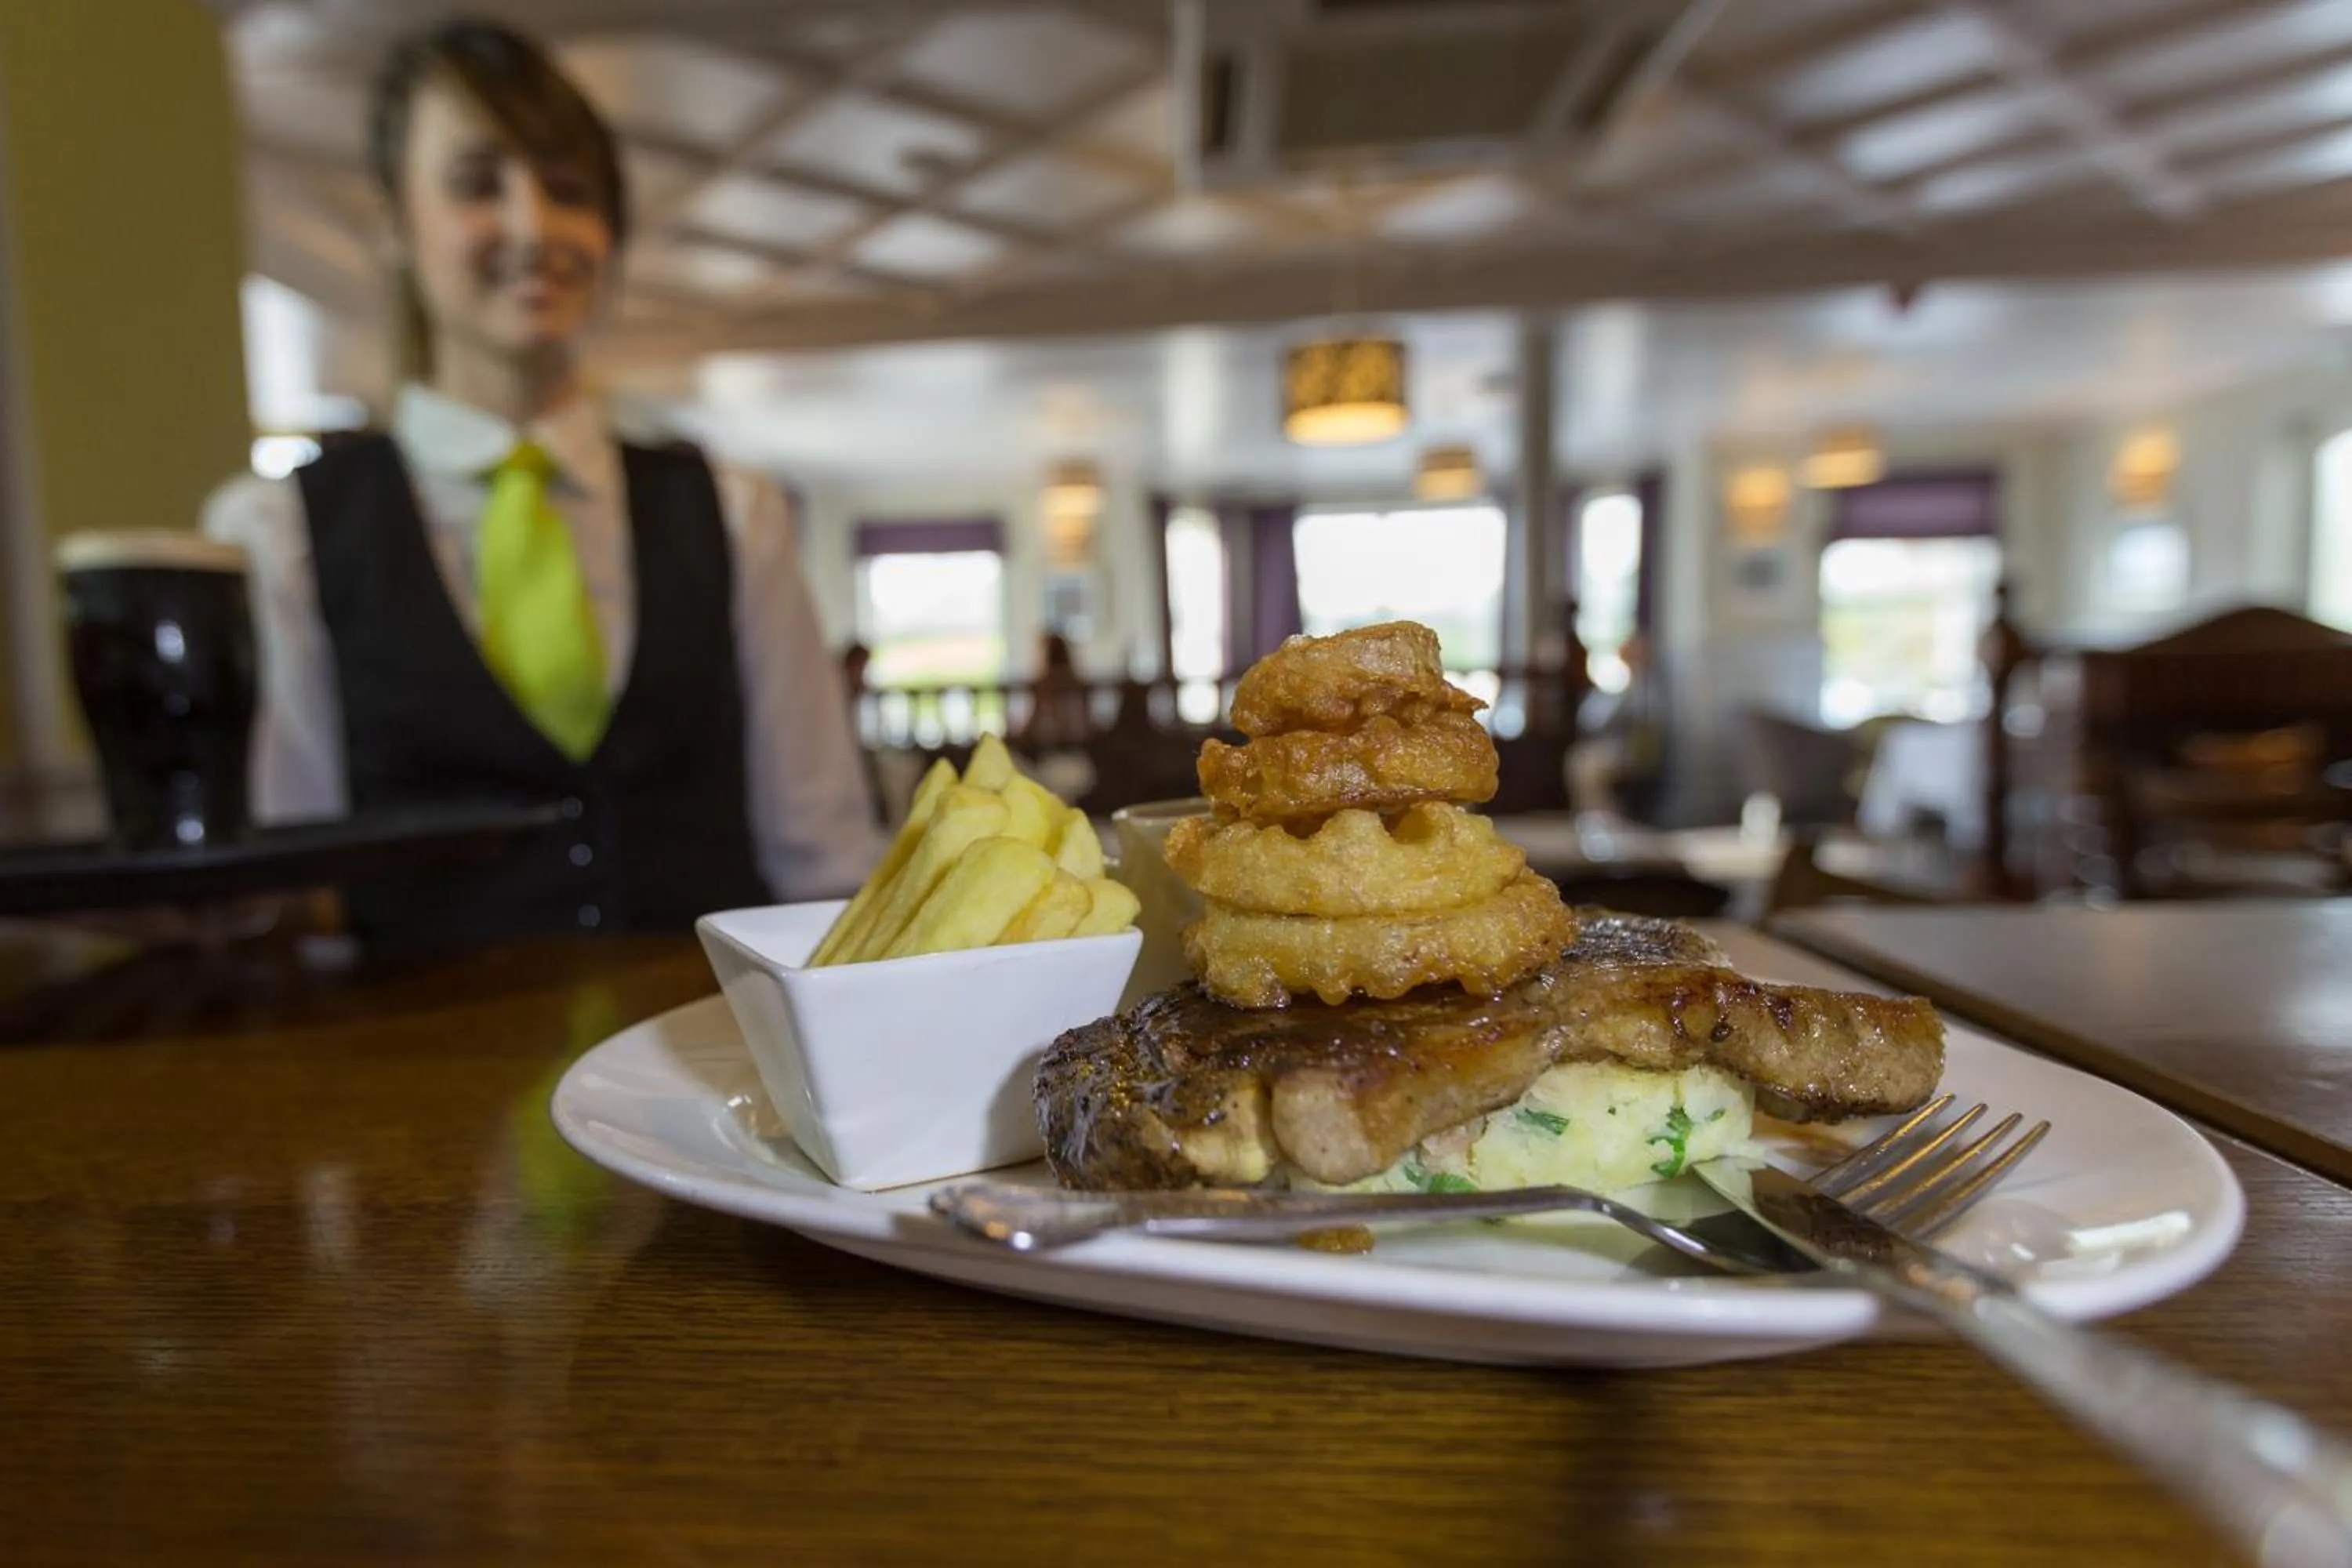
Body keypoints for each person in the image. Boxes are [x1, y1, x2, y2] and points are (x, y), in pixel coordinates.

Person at [204, 18, 877, 942]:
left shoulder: (733, 513)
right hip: (421, 1030)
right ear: (395, 224)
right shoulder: (283, 531)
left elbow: (822, 856)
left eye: (569, 190)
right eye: (477, 183)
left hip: (704, 1028)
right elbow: (294, 881)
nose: (533, 228)